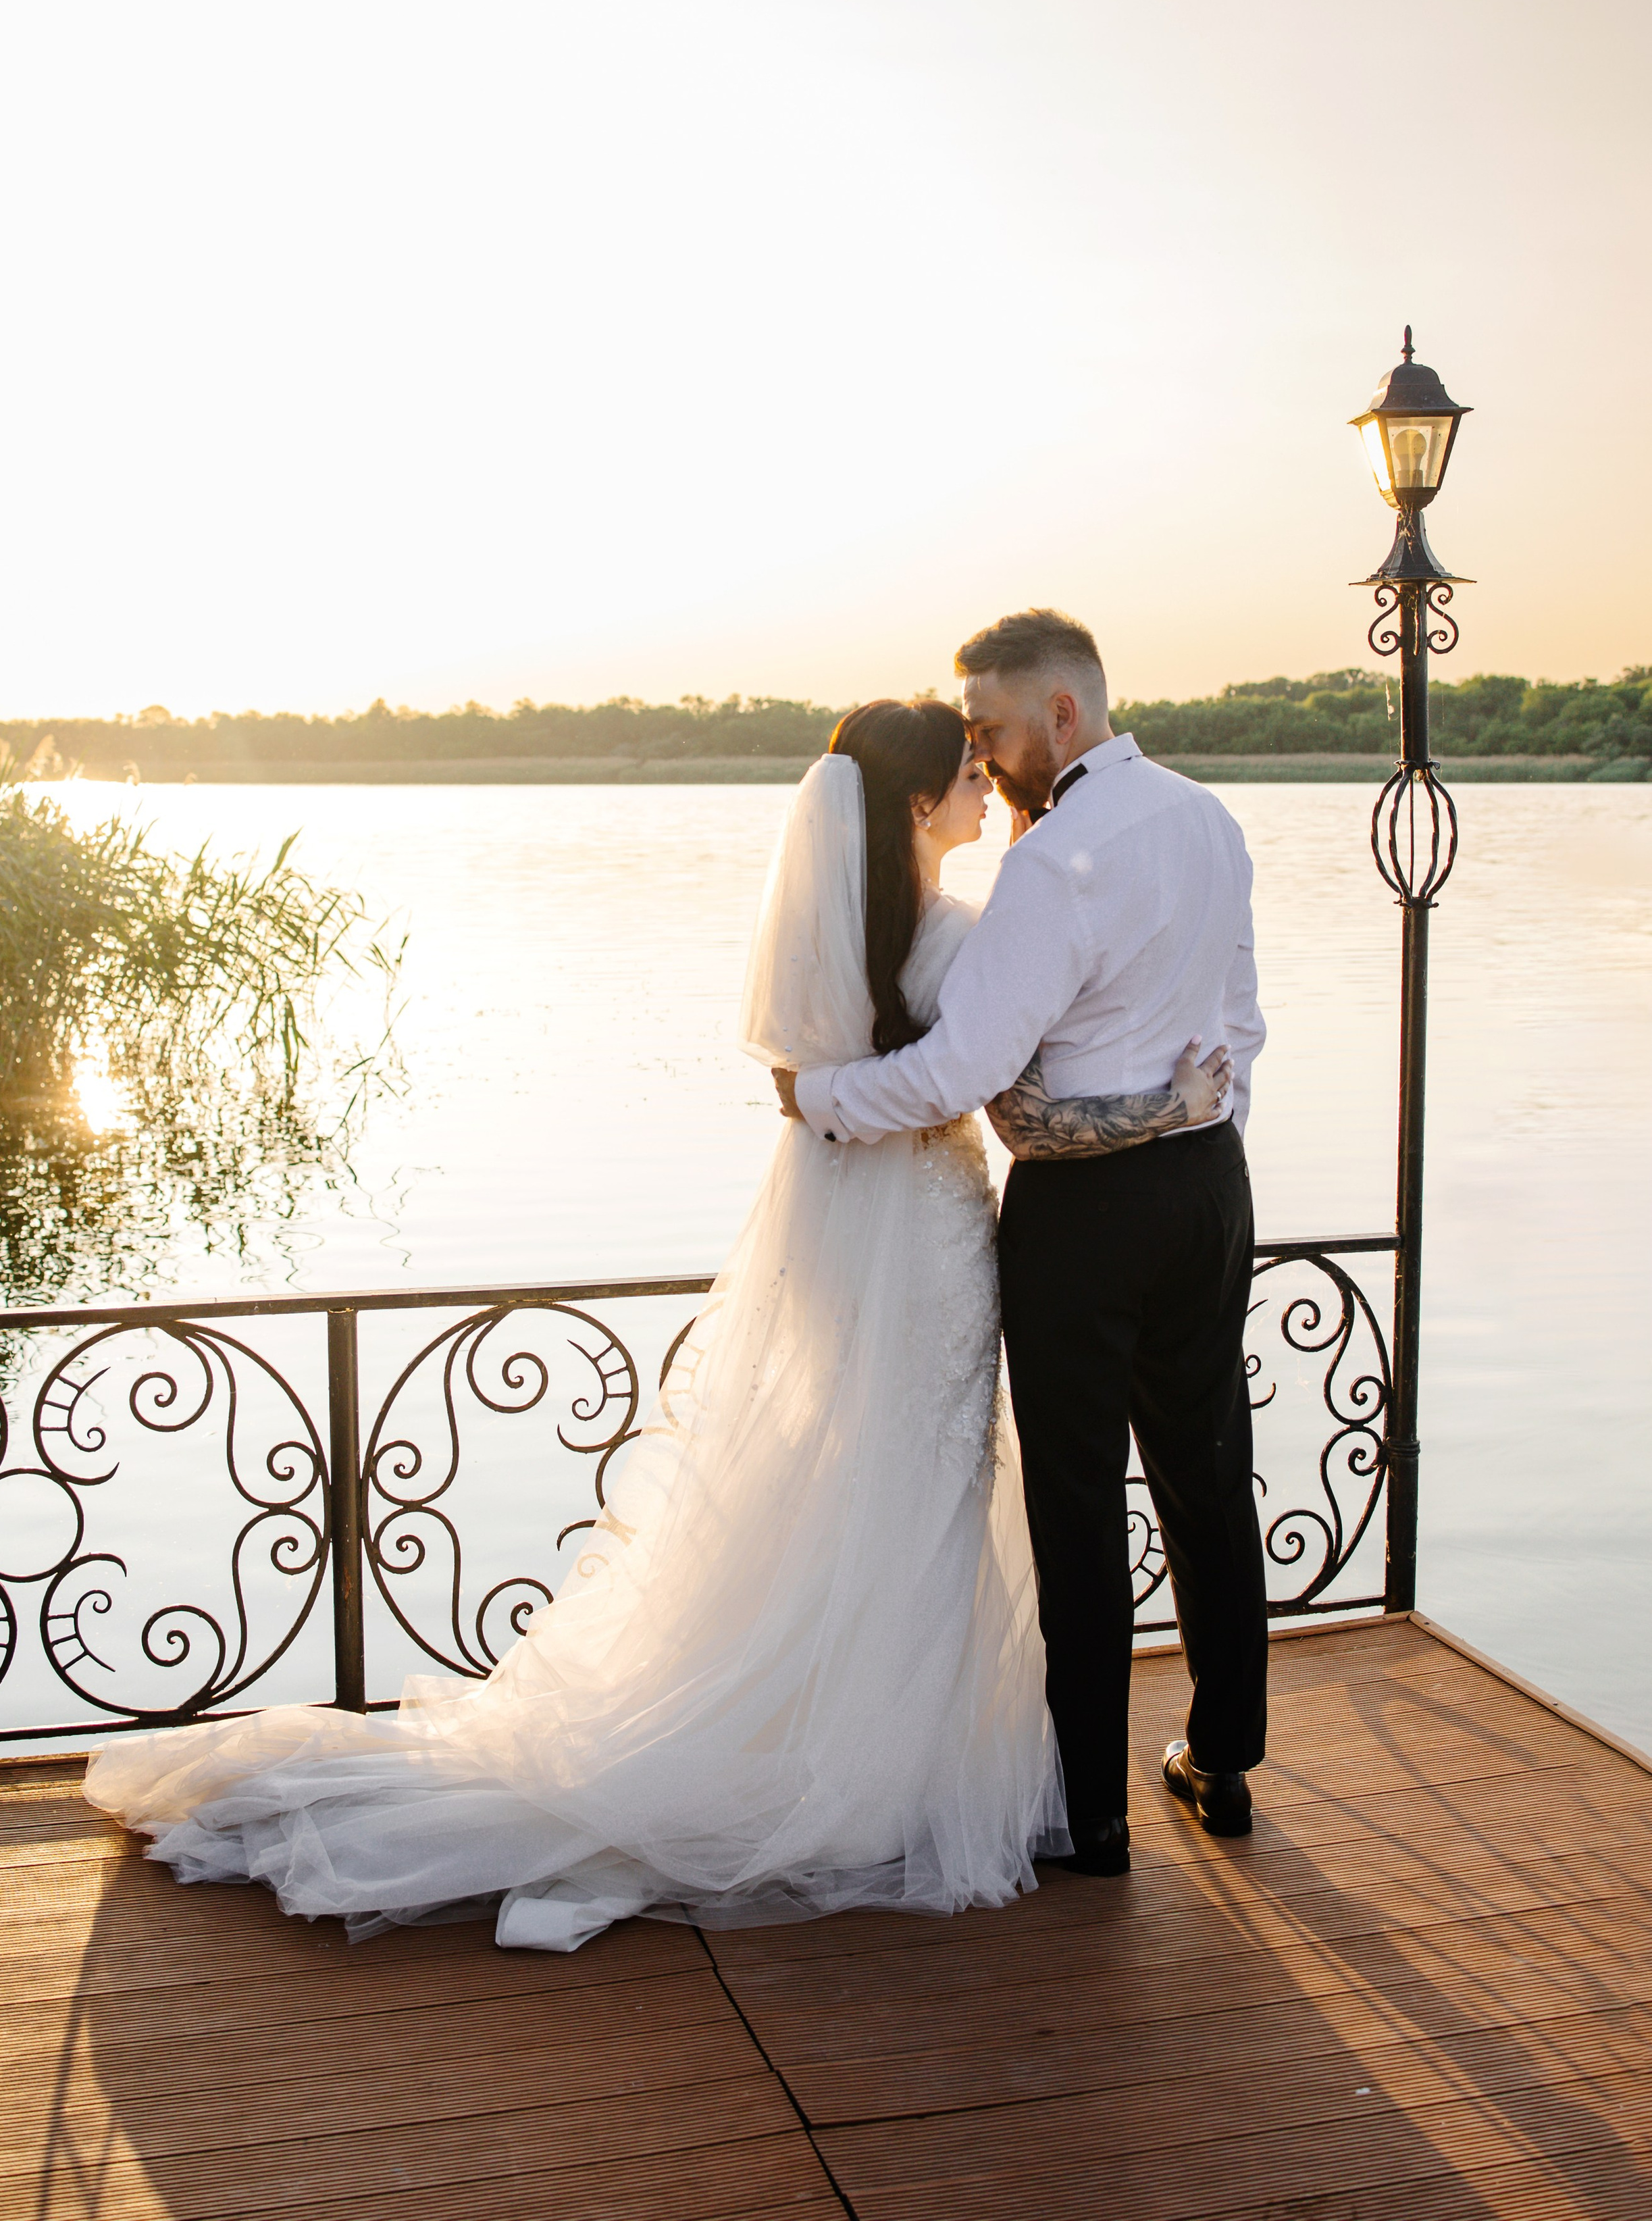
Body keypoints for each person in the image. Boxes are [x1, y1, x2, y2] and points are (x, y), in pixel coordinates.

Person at [84, 696, 1229, 1949]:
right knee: (919, 1489)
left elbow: (829, 1084)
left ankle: (848, 1734)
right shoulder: (962, 935)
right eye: (968, 775)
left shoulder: (834, 937)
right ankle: (884, 1762)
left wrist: (829, 1096)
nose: (991, 792)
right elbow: (1001, 1099)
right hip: (937, 1236)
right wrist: (1172, 1108)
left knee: (848, 1483)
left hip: (856, 1233)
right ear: (917, 807)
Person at [780, 611, 1269, 1876]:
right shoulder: (1211, 819)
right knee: (1211, 1469)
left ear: (1061, 716)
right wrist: (1199, 1131)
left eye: (992, 729)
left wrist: (823, 1101)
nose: (983, 758)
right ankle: (1224, 1766)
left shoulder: (1053, 865)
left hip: (1083, 1217)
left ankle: (1094, 1814)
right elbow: (1243, 1021)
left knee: (1073, 1501)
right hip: (1211, 1190)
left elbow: (965, 1065)